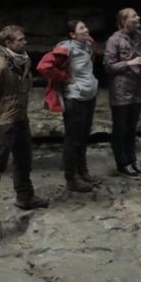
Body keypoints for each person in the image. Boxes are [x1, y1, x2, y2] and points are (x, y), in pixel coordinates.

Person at [0, 25, 48, 229]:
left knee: (24, 159)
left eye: (24, 39)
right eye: (20, 40)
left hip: (20, 118)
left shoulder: (22, 61)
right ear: (8, 43)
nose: (25, 42)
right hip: (5, 121)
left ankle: (25, 196)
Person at [36, 20, 100, 193]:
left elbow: (90, 61)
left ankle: (83, 171)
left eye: (86, 26)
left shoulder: (89, 43)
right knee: (73, 139)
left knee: (84, 136)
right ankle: (71, 178)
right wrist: (64, 76)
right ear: (72, 34)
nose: (86, 29)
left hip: (89, 95)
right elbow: (44, 66)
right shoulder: (66, 48)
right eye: (81, 28)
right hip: (75, 98)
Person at [103, 7, 141, 178]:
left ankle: (132, 160)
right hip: (121, 90)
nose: (138, 18)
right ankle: (122, 163)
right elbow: (108, 66)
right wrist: (129, 63)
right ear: (123, 21)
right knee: (121, 128)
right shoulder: (114, 40)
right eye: (133, 16)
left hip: (137, 88)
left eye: (137, 15)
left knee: (132, 127)